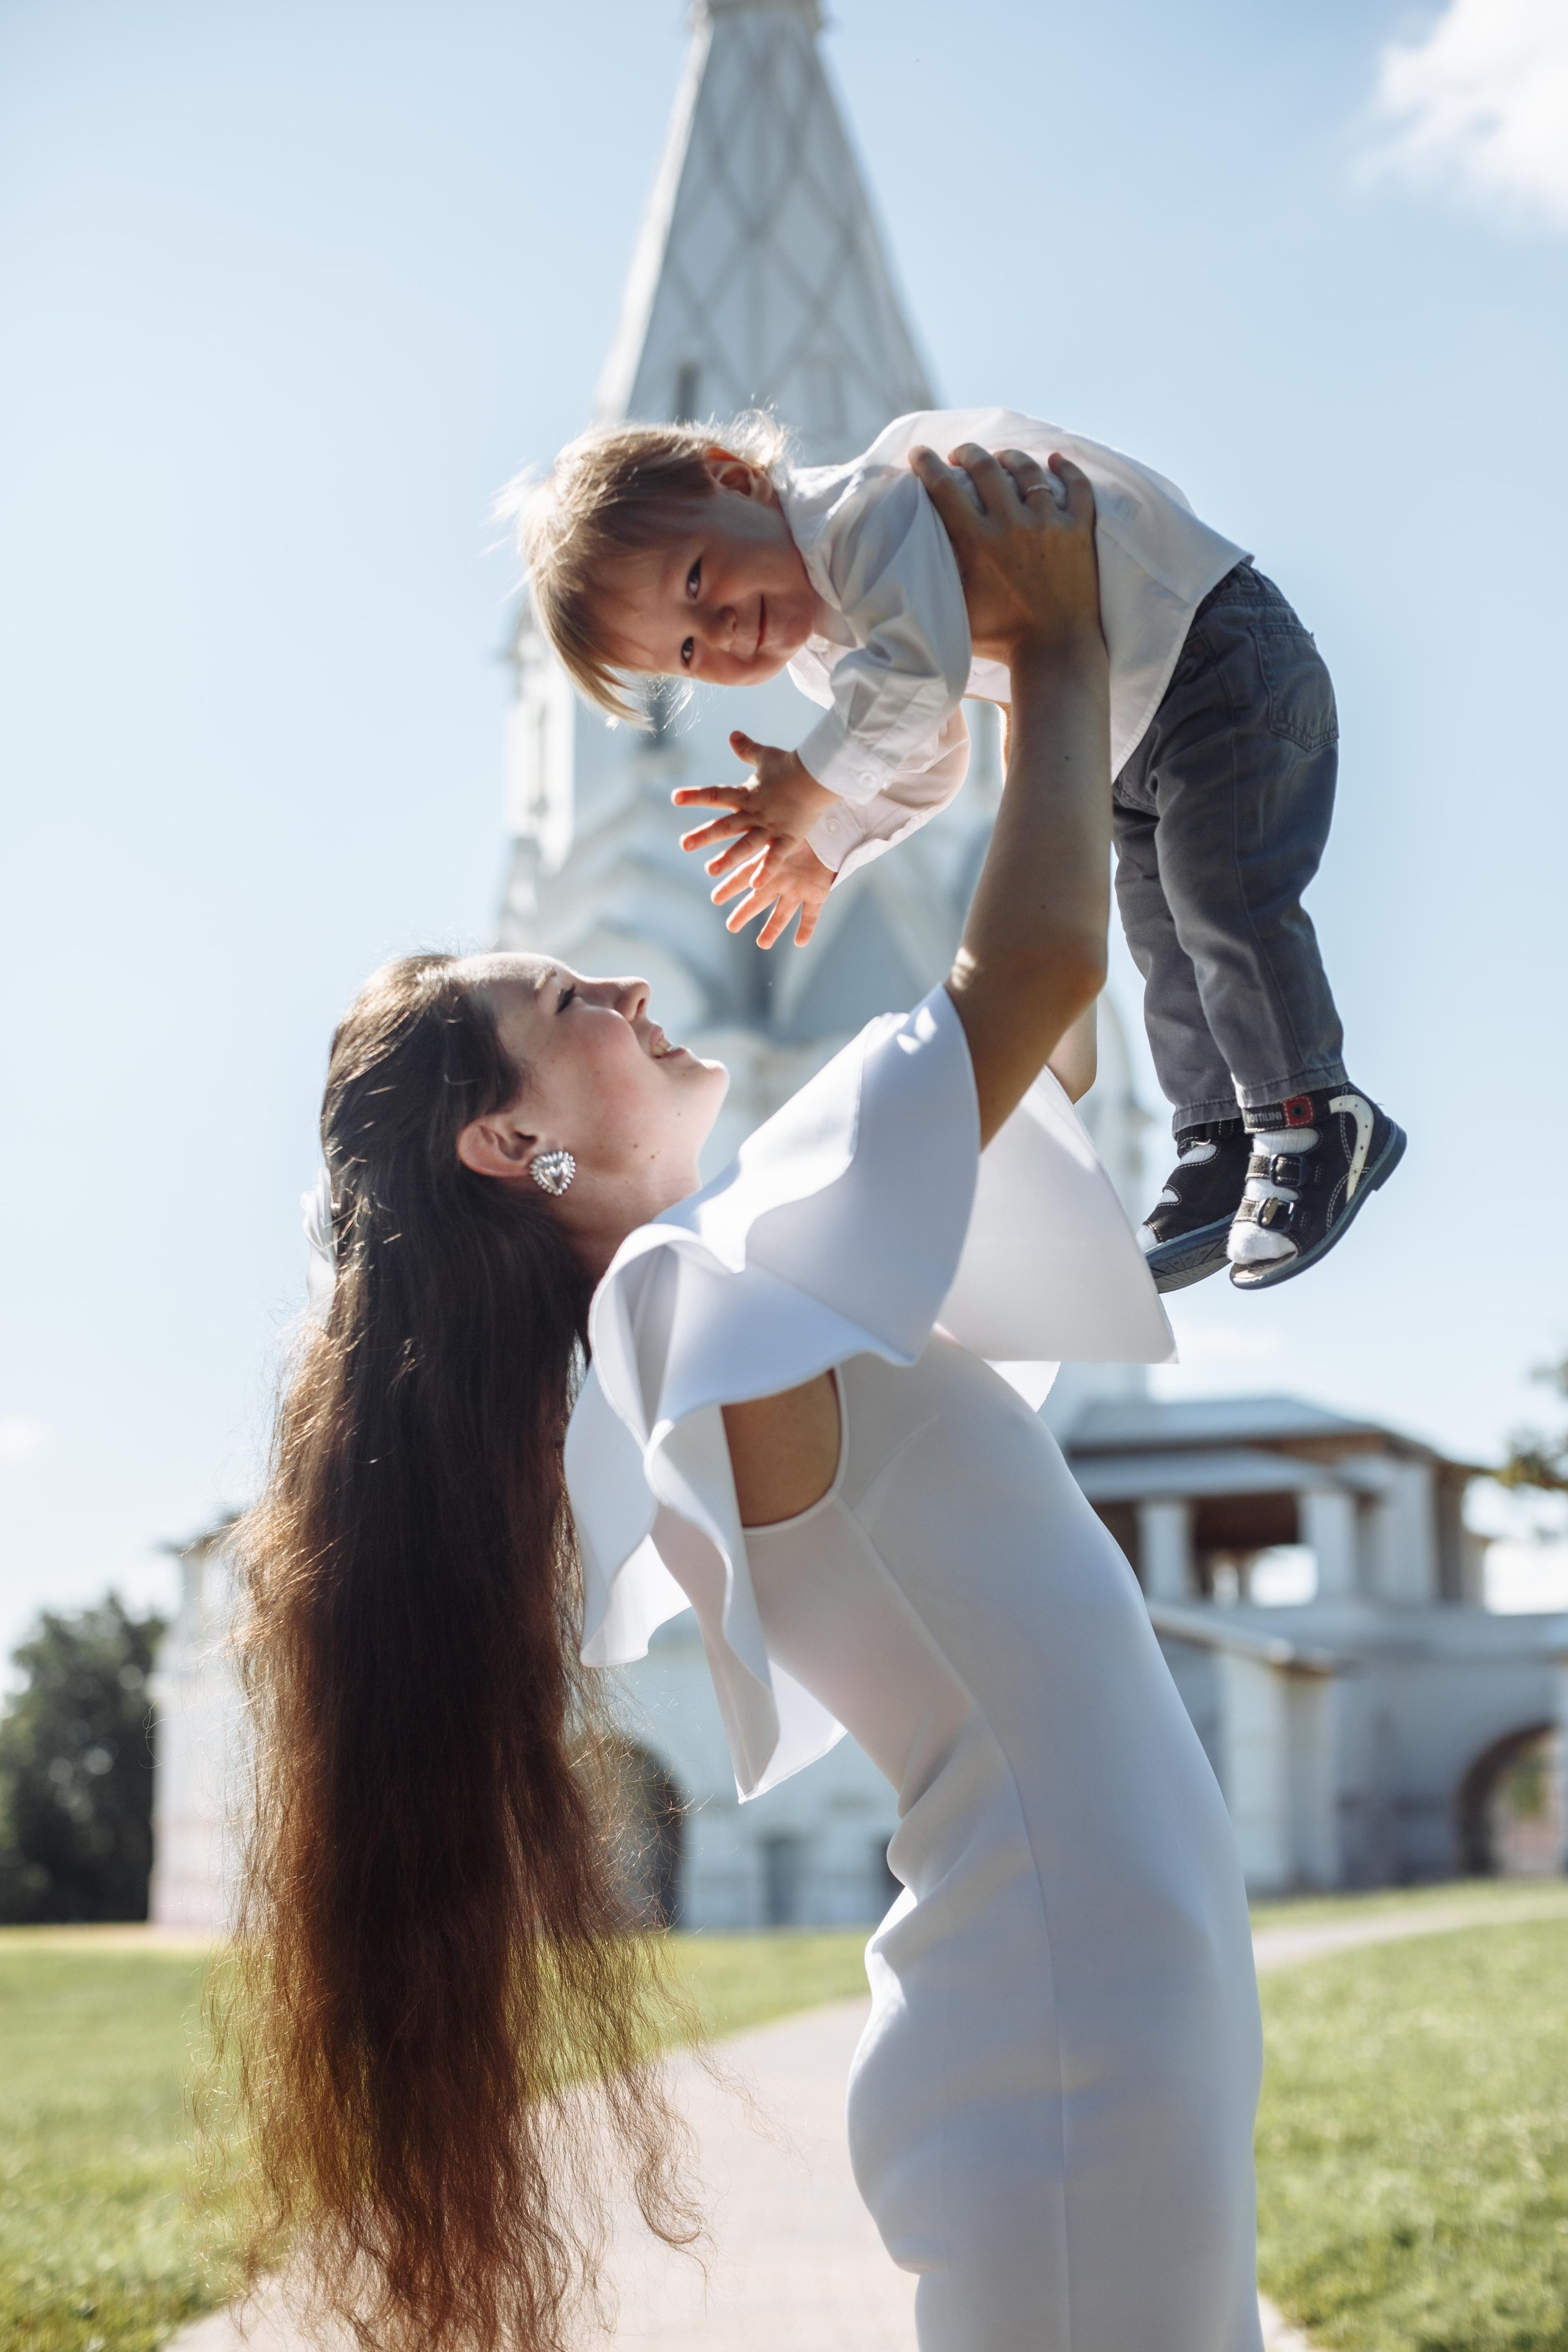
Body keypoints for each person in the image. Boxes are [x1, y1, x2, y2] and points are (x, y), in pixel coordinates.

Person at [237, 445, 1265, 2352]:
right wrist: (1050, 649)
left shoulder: (711, 1306)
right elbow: (1032, 967)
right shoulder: (705, 1305)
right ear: (509, 1143)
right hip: (1065, 2002)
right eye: (570, 1007)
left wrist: (880, 773)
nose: (632, 990)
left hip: (1087, 1968)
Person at [516, 403, 1404, 1296]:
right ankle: (1219, 1135)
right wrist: (827, 845)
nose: (722, 631)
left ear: (736, 478)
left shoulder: (864, 517)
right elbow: (928, 758)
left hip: (1215, 660)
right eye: (686, 649)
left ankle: (1315, 1113)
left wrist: (810, 783)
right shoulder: (826, 648)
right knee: (1164, 932)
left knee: (1226, 905)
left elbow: (919, 677)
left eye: (699, 579)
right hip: (1135, 734)